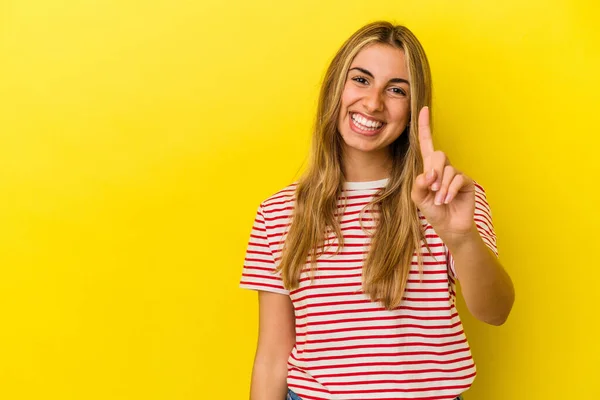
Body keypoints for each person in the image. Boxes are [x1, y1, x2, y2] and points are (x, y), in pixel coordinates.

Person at [239, 21, 515, 400]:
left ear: (413, 109)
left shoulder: (450, 199)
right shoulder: (279, 212)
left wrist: (460, 237)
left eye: (396, 90)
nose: (373, 103)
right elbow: (272, 358)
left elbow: (495, 312)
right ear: (335, 88)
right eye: (361, 80)